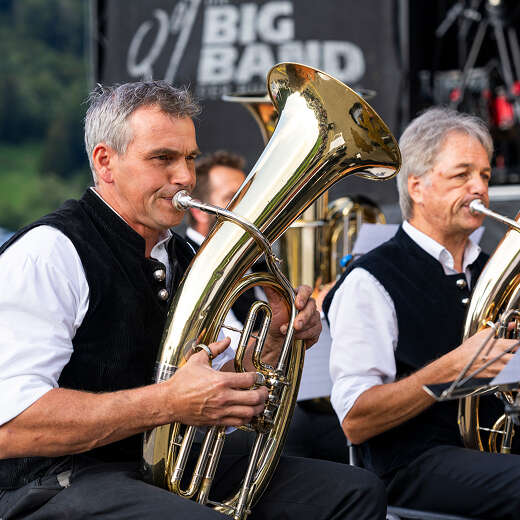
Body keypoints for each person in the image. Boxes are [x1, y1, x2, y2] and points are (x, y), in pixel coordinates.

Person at [0, 81, 385, 520]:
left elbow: (225, 391)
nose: (184, 176)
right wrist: (167, 402)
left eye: (189, 158)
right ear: (105, 162)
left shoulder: (181, 255)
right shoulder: (49, 252)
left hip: (146, 469)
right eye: (162, 159)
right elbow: (10, 425)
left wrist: (277, 341)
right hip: (49, 487)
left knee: (356, 492)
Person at [323, 107, 520, 519]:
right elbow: (356, 421)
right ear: (417, 186)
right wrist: (454, 368)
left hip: (492, 451)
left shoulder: (492, 271)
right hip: (410, 466)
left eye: (484, 175)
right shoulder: (369, 280)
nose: (479, 188)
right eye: (461, 174)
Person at [186, 150, 348, 464]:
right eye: (233, 198)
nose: (248, 209)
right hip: (222, 418)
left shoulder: (257, 263)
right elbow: (227, 349)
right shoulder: (190, 263)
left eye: (249, 197)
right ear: (200, 212)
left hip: (275, 394)